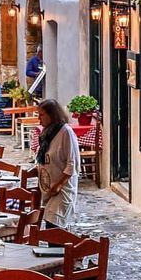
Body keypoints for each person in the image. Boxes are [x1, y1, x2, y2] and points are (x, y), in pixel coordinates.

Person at [35, 98, 80, 228]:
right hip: (49, 190)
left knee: (54, 226)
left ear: (52, 115)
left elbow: (72, 164)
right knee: (50, 227)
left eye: (42, 115)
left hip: (61, 190)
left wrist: (59, 185)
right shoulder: (47, 133)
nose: (39, 119)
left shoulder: (66, 132)